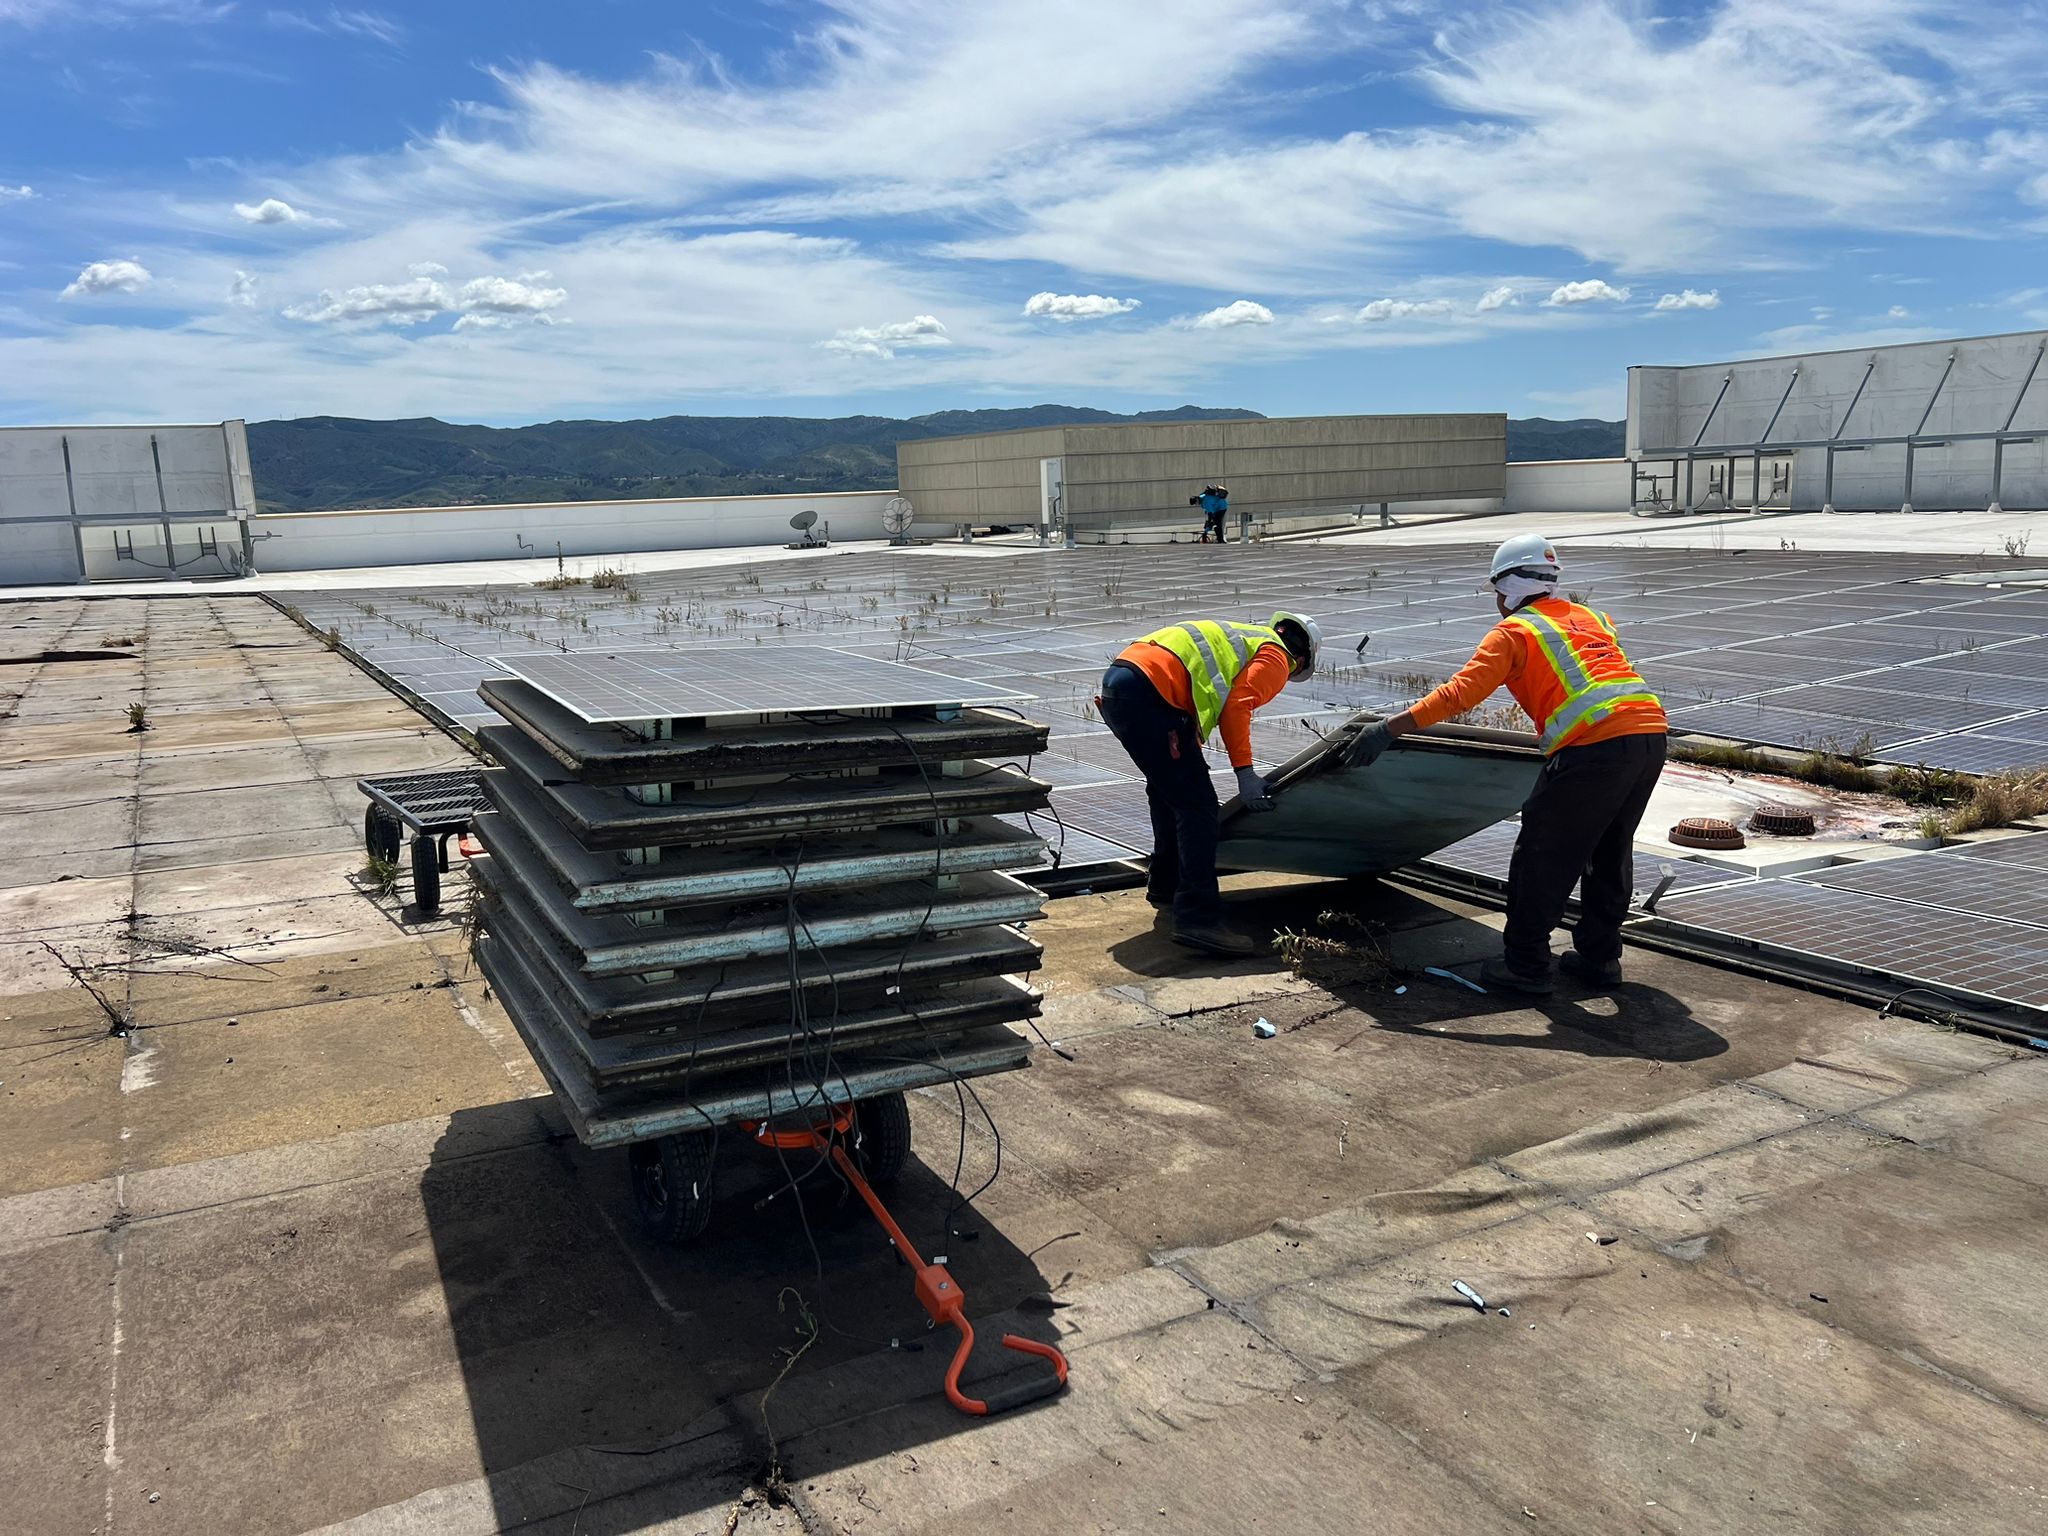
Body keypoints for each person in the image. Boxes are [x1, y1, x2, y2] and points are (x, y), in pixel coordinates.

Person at [1342, 534, 1667, 993]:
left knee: (1542, 853)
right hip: (1649, 736)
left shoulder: (1514, 632)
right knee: (1609, 850)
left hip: (1595, 747)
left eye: (1496, 591)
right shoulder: (1593, 617)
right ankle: (1600, 959)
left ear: (1509, 588)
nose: (1496, 602)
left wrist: (1389, 728)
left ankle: (1526, 967)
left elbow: (1461, 693)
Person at [1098, 612, 1322, 955]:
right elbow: (1237, 705)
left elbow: (1196, 689)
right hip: (1151, 691)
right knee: (1199, 808)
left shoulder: (1245, 636)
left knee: (1168, 792)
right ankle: (1198, 919)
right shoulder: (1278, 657)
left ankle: (1166, 884)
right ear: (1302, 659)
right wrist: (1244, 772)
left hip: (1123, 682)